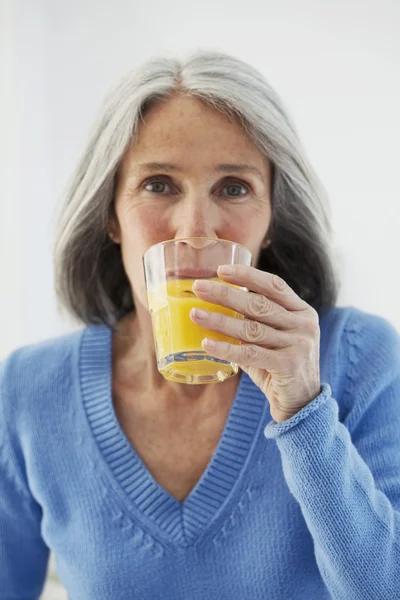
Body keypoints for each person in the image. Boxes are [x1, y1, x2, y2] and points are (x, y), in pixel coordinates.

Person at [1, 49, 399, 600]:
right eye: (159, 184)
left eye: (233, 187)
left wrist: (303, 409)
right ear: (110, 215)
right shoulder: (26, 390)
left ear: (270, 220)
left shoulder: (360, 355)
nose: (195, 228)